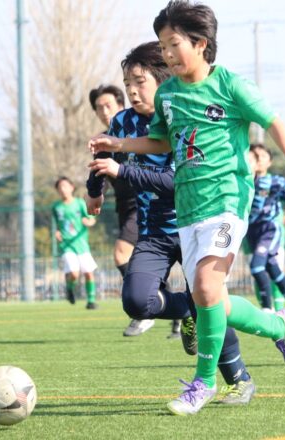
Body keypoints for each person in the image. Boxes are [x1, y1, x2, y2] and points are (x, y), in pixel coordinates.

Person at [89, 0, 285, 415]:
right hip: (189, 208)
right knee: (212, 301)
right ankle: (277, 324)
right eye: (162, 46)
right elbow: (161, 141)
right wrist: (119, 144)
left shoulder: (230, 85)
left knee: (208, 289)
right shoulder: (169, 94)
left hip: (228, 201)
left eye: (173, 44)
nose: (167, 53)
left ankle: (203, 383)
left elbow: (274, 121)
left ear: (200, 43)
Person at [88, 41, 257, 405]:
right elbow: (102, 152)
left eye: (140, 82)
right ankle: (187, 307)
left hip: (194, 226)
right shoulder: (123, 122)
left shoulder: (180, 117)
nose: (132, 91)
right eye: (127, 83)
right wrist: (94, 191)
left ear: (162, 81)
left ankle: (239, 379)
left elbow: (174, 180)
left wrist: (122, 170)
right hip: (153, 232)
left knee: (208, 298)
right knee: (137, 301)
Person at [88, 85, 158, 336]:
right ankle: (174, 310)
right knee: (145, 265)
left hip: (145, 203)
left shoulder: (138, 131)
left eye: (108, 105)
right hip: (125, 206)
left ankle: (145, 312)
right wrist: (95, 193)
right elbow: (100, 172)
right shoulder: (104, 140)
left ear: (121, 105)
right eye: (99, 108)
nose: (104, 111)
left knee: (121, 254)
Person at [246, 143, 285, 326]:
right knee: (273, 269)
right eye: (254, 157)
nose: (258, 160)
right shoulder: (246, 182)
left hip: (270, 228)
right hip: (252, 231)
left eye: (261, 156)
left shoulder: (275, 181)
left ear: (268, 162)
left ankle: (267, 309)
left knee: (257, 267)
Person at [52, 177, 98, 309]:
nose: (63, 189)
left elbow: (91, 219)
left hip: (81, 244)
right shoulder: (56, 207)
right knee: (74, 273)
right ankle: (69, 288)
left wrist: (89, 222)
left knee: (88, 272)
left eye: (65, 186)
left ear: (72, 187)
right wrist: (57, 232)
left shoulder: (79, 203)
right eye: (60, 187)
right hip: (66, 245)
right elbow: (57, 225)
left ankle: (91, 301)